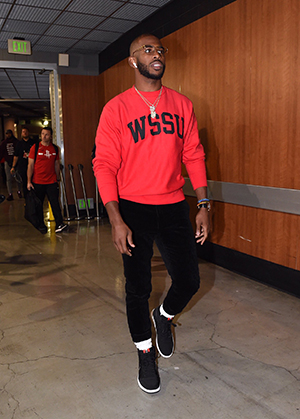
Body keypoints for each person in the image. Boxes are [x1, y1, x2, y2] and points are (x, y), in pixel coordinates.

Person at [93, 33, 210, 394]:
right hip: (133, 208)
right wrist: (115, 219)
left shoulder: (182, 105)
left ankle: (164, 317)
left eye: (160, 49)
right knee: (138, 288)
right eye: (147, 50)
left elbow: (194, 155)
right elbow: (104, 164)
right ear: (132, 61)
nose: (156, 54)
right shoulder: (116, 109)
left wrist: (204, 204)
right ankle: (145, 352)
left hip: (174, 203)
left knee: (189, 280)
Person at [27, 127, 68, 234]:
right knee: (38, 205)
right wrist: (29, 181)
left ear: (51, 136)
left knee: (55, 203)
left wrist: (58, 178)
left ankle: (59, 224)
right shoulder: (35, 148)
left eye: (46, 134)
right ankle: (41, 224)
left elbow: (56, 164)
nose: (44, 136)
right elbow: (30, 165)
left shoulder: (55, 148)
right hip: (38, 182)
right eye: (42, 134)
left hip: (51, 182)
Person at [11, 127, 36, 198]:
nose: (24, 133)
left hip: (33, 166)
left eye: (26, 131)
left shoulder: (33, 143)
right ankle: (27, 199)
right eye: (23, 132)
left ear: (28, 133)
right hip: (23, 167)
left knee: (34, 182)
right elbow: (16, 156)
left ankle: (34, 198)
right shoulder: (19, 144)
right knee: (24, 183)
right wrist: (13, 167)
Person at [0, 130, 22, 201]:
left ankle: (19, 191)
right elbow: (1, 152)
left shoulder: (16, 142)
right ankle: (10, 193)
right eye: (7, 134)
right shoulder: (4, 143)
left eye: (9, 134)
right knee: (8, 179)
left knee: (17, 178)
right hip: (7, 161)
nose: (8, 135)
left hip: (16, 162)